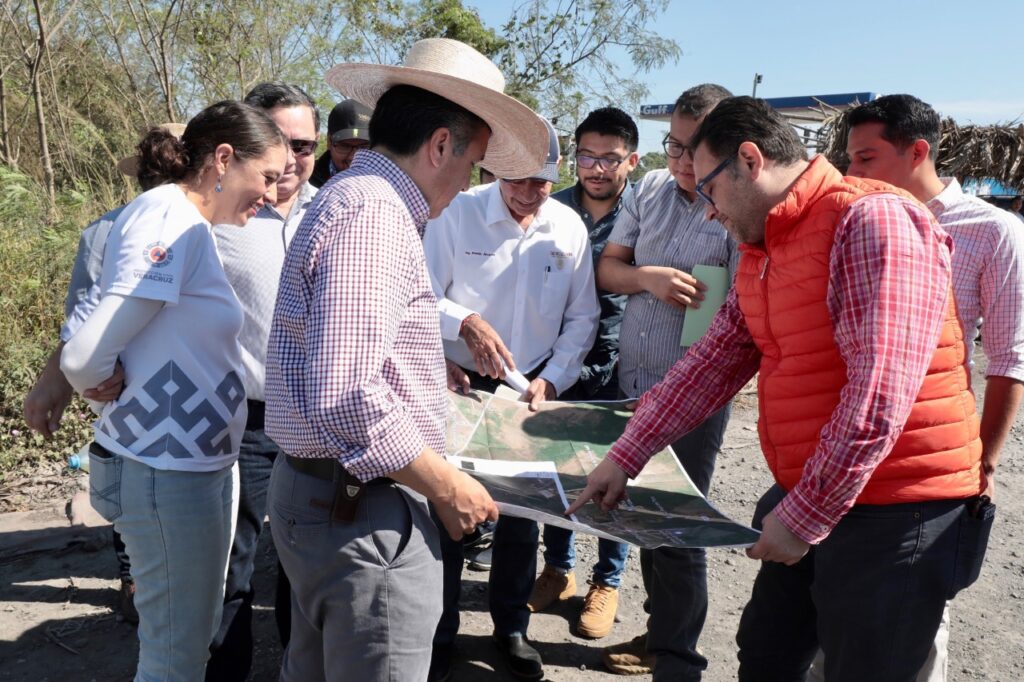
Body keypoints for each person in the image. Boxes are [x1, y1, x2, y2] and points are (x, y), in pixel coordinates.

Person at [568, 96, 990, 682]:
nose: (708, 213)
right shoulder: (765, 243)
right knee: (766, 655)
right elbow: (714, 359)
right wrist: (628, 452)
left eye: (710, 190)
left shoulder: (872, 221)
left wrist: (803, 517)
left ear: (750, 160)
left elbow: (880, 393)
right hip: (819, 487)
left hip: (898, 507)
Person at [263, 38, 547, 681]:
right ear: (441, 145)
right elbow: (347, 391)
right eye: (474, 162)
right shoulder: (375, 215)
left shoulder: (356, 199)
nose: (470, 182)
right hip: (362, 510)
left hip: (333, 498)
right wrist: (447, 486)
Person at [60, 101, 288, 681]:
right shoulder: (170, 221)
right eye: (266, 177)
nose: (271, 195)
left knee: (185, 646)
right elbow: (84, 354)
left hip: (187, 468)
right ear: (223, 159)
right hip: (167, 474)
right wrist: (98, 388)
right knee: (174, 657)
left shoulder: (188, 222)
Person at [799, 93, 1024, 682]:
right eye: (849, 158)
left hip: (925, 463)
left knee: (909, 629)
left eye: (866, 158)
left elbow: (1009, 359)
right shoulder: (850, 217)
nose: (852, 172)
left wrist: (985, 461)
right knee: (835, 618)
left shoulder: (992, 231)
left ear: (917, 151)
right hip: (847, 448)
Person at [423, 116, 600, 680]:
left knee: (522, 519)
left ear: (558, 174)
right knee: (451, 512)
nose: (528, 193)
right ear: (494, 170)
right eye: (517, 180)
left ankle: (511, 628)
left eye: (541, 182)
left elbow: (582, 316)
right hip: (459, 385)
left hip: (530, 392)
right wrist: (462, 324)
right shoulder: (457, 213)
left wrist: (556, 378)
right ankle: (438, 631)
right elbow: (420, 294)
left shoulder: (567, 227)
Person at [596, 84, 737, 679]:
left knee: (677, 525)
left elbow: (741, 318)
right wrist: (647, 278)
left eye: (693, 148)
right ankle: (659, 636)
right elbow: (608, 269)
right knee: (642, 514)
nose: (681, 160)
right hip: (634, 383)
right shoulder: (650, 189)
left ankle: (677, 659)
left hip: (695, 398)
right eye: (673, 145)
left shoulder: (735, 206)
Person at [21, 122, 186, 626]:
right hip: (128, 387)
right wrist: (87, 374)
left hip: (183, 388)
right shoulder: (107, 231)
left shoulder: (215, 226)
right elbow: (81, 320)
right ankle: (134, 578)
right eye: (155, 170)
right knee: (131, 477)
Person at [202, 81, 322, 680]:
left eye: (304, 144)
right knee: (233, 566)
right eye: (280, 141)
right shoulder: (215, 214)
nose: (292, 158)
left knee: (309, 566)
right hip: (243, 422)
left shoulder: (335, 211)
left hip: (318, 422)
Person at [528, 107, 639, 642]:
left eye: (609, 159)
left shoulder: (643, 214)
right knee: (558, 470)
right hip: (558, 363)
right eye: (587, 157)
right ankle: (558, 568)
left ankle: (607, 581)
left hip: (620, 364)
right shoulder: (552, 207)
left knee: (615, 475)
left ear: (631, 161)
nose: (596, 168)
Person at [309, 98, 372, 187]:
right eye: (345, 146)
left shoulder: (388, 183)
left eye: (364, 147)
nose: (353, 157)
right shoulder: (304, 181)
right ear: (329, 141)